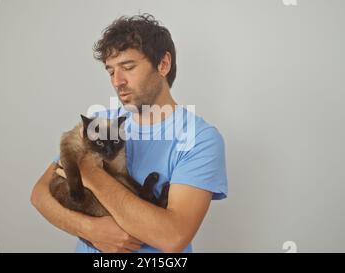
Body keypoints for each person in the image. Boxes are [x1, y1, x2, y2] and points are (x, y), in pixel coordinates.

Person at [30, 13, 228, 253]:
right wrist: (89, 229)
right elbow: (40, 194)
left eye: (128, 67)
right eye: (111, 71)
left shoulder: (200, 139)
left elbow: (172, 237)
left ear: (163, 64)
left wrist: (91, 174)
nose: (117, 81)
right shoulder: (102, 122)